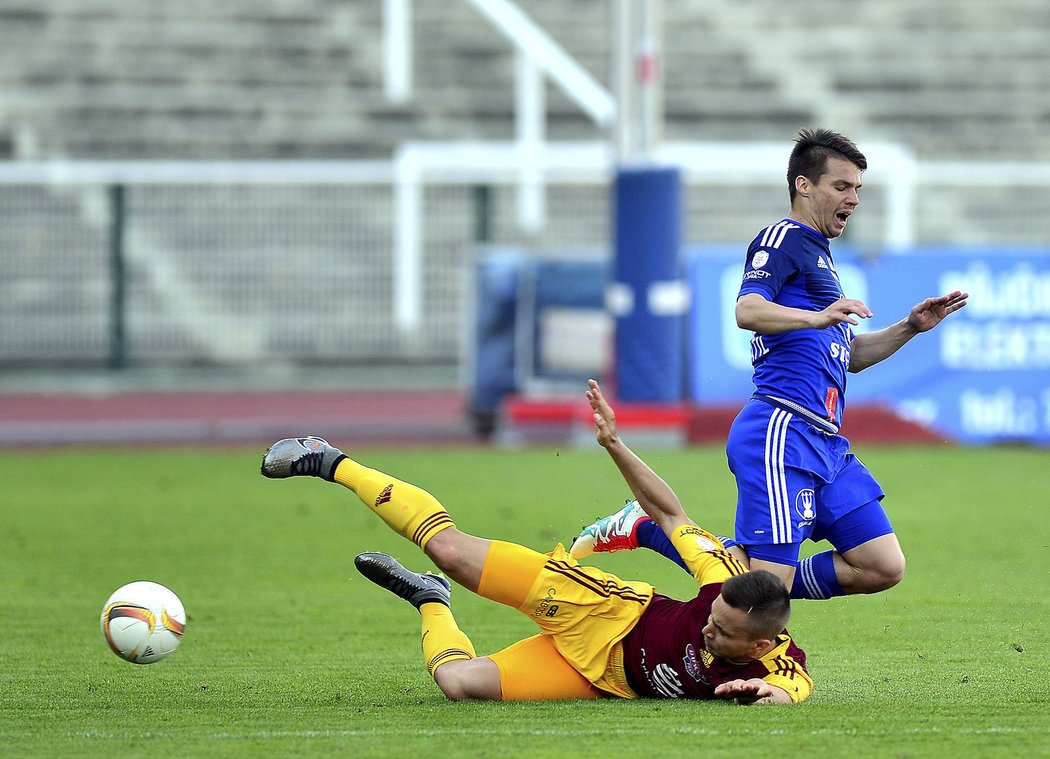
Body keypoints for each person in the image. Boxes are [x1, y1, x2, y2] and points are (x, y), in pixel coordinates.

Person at [574, 129, 968, 602]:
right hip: (781, 432)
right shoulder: (782, 238)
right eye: (842, 186)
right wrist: (817, 316)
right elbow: (747, 310)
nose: (854, 198)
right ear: (804, 185)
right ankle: (650, 528)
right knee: (765, 593)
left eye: (858, 189)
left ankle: (745, 571)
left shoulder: (820, 256)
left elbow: (852, 356)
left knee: (881, 565)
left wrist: (910, 327)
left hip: (824, 441)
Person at [260, 379, 812, 705]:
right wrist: (615, 444)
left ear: (761, 647)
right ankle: (332, 461)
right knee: (449, 551)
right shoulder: (720, 577)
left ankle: (430, 600)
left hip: (600, 679)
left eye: (722, 631)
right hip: (597, 611)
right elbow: (670, 511)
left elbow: (796, 688)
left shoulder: (777, 664)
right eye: (713, 616)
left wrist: (775, 698)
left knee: (458, 684)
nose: (708, 627)